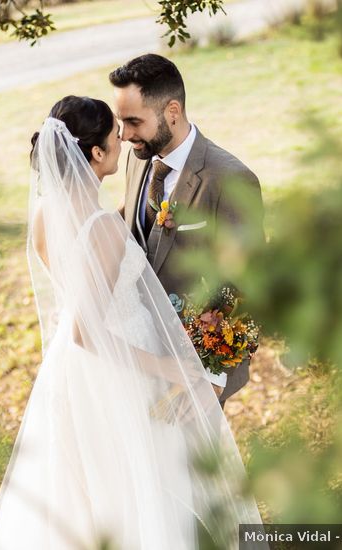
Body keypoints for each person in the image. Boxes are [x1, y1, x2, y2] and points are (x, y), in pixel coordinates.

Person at [0, 95, 264, 549]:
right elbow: (86, 329)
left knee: (101, 495)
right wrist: (169, 367)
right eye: (115, 135)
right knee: (152, 490)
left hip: (75, 376)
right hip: (127, 370)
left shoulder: (43, 215)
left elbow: (79, 299)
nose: (124, 139)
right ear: (96, 153)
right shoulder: (103, 228)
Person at [111, 54, 266, 408]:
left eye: (133, 121)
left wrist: (213, 377)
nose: (124, 135)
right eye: (121, 122)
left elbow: (249, 283)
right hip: (145, 358)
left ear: (172, 111)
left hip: (197, 369)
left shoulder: (229, 179)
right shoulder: (139, 160)